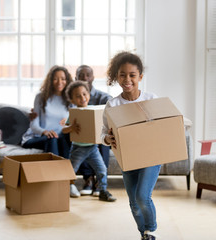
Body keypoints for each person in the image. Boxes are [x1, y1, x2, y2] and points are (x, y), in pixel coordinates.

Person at [101, 51, 159, 240]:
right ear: (116, 77)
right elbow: (104, 132)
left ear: (140, 76)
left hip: (151, 156)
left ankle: (151, 229)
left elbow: (163, 128)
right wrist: (108, 139)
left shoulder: (151, 99)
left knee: (143, 196)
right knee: (134, 202)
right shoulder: (113, 104)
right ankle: (144, 234)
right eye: (122, 75)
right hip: (128, 158)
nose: (127, 79)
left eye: (132, 75)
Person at [62, 80, 116, 202]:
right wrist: (71, 127)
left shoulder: (94, 110)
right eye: (78, 96)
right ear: (72, 100)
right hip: (78, 148)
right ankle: (69, 186)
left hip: (92, 148)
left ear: (89, 95)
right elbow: (64, 130)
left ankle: (103, 190)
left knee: (101, 169)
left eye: (84, 94)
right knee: (72, 169)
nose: (82, 97)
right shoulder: (74, 113)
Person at [75, 65, 113, 197]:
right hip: (81, 135)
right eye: (81, 75)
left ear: (93, 77)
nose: (85, 78)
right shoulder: (73, 99)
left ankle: (99, 183)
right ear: (76, 78)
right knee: (80, 143)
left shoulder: (104, 97)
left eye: (88, 75)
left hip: (100, 134)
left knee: (102, 139)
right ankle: (88, 179)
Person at [21, 65, 72, 158]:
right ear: (50, 81)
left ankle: (67, 170)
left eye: (63, 79)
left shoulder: (70, 100)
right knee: (52, 139)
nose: (59, 82)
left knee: (62, 140)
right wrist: (45, 132)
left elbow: (73, 122)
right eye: (55, 79)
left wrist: (68, 122)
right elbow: (34, 125)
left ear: (67, 81)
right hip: (37, 137)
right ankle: (54, 171)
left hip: (59, 138)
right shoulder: (41, 97)